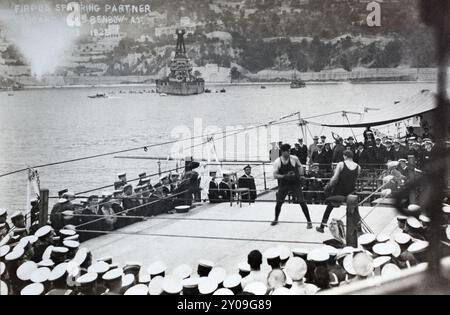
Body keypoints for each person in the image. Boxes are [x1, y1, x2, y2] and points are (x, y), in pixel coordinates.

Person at [316, 150, 361, 233]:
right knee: (355, 210)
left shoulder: (341, 164)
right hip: (350, 193)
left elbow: (335, 178)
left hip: (339, 191)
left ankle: (322, 226)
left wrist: (328, 186)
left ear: (345, 156)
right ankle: (359, 229)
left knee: (329, 207)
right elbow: (355, 179)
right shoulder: (358, 166)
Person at [272, 144, 312, 229]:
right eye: (288, 151)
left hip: (295, 182)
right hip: (284, 183)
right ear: (283, 152)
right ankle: (276, 218)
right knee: (279, 202)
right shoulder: (277, 161)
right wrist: (285, 176)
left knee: (302, 201)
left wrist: (301, 175)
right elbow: (275, 175)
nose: (290, 152)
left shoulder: (294, 158)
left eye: (290, 151)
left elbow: (300, 166)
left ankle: (309, 221)